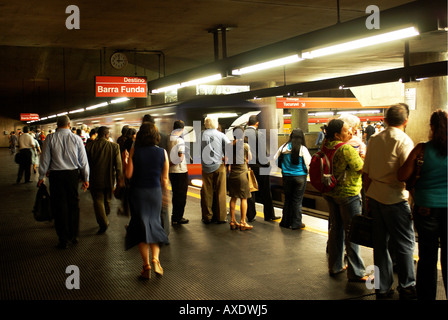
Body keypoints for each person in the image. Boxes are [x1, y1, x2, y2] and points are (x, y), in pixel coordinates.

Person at [363, 103, 416, 299]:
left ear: (385, 120)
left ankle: (382, 287)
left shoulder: (374, 139)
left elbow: (366, 173)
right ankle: (407, 284)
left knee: (380, 245)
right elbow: (406, 174)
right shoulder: (404, 140)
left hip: (376, 196)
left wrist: (368, 197)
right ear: (406, 120)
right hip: (395, 199)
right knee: (404, 244)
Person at [397, 109, 447, 300]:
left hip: (426, 209)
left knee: (427, 257)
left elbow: (401, 176)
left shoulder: (422, 149)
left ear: (432, 127)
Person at [321, 119, 367, 283]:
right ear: (337, 134)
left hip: (330, 193)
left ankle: (335, 266)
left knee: (336, 229)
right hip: (348, 194)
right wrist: (363, 157)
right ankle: (356, 271)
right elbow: (361, 167)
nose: (350, 133)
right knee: (352, 231)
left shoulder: (325, 146)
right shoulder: (346, 148)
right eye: (346, 131)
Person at [125, 122, 169, 279]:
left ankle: (146, 267)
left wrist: (126, 160)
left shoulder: (134, 151)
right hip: (155, 193)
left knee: (140, 229)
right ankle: (156, 260)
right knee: (154, 224)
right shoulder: (162, 152)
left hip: (138, 193)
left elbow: (129, 174)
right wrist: (165, 196)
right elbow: (164, 179)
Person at [38, 115, 90, 249]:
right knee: (73, 204)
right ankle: (74, 235)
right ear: (69, 124)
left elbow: (44, 159)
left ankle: (63, 239)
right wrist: (86, 178)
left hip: (56, 176)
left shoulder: (50, 138)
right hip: (72, 175)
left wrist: (41, 176)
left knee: (59, 206)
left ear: (57, 124)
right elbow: (83, 162)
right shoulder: (77, 138)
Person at [85, 126, 123, 234]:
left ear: (98, 134)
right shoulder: (114, 147)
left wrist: (84, 178)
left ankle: (103, 222)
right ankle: (105, 217)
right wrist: (119, 180)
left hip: (95, 179)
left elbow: (85, 164)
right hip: (109, 180)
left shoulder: (89, 146)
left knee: (98, 201)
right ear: (107, 135)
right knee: (107, 200)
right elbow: (118, 166)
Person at [245, 115, 280, 222]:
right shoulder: (259, 134)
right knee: (265, 191)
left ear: (248, 123)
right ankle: (269, 215)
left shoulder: (242, 134)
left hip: (247, 167)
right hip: (260, 166)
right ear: (257, 123)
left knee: (250, 190)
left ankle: (251, 215)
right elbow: (262, 153)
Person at [275, 128, 311, 230]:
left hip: (286, 177)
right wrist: (306, 172)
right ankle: (296, 223)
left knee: (287, 199)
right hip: (300, 177)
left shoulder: (283, 147)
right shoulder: (302, 149)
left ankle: (285, 222)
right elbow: (309, 164)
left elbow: (275, 159)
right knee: (297, 201)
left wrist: (284, 167)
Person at [200, 115, 231, 224]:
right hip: (219, 166)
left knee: (207, 192)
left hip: (205, 167)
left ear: (206, 124)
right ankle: (221, 217)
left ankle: (207, 216)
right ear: (216, 124)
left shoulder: (201, 135)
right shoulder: (220, 134)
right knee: (220, 192)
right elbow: (229, 146)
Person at [228, 126, 253, 231]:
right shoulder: (245, 146)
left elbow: (227, 160)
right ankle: (243, 222)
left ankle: (233, 221)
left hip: (232, 174)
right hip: (242, 174)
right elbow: (250, 159)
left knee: (233, 197)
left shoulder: (229, 145)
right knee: (244, 198)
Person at [168, 120, 189, 225]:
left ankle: (174, 216)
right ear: (182, 129)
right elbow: (180, 158)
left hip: (171, 172)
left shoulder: (169, 139)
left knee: (175, 195)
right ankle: (178, 217)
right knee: (181, 196)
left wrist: (168, 165)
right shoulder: (179, 141)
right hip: (180, 171)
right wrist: (171, 163)